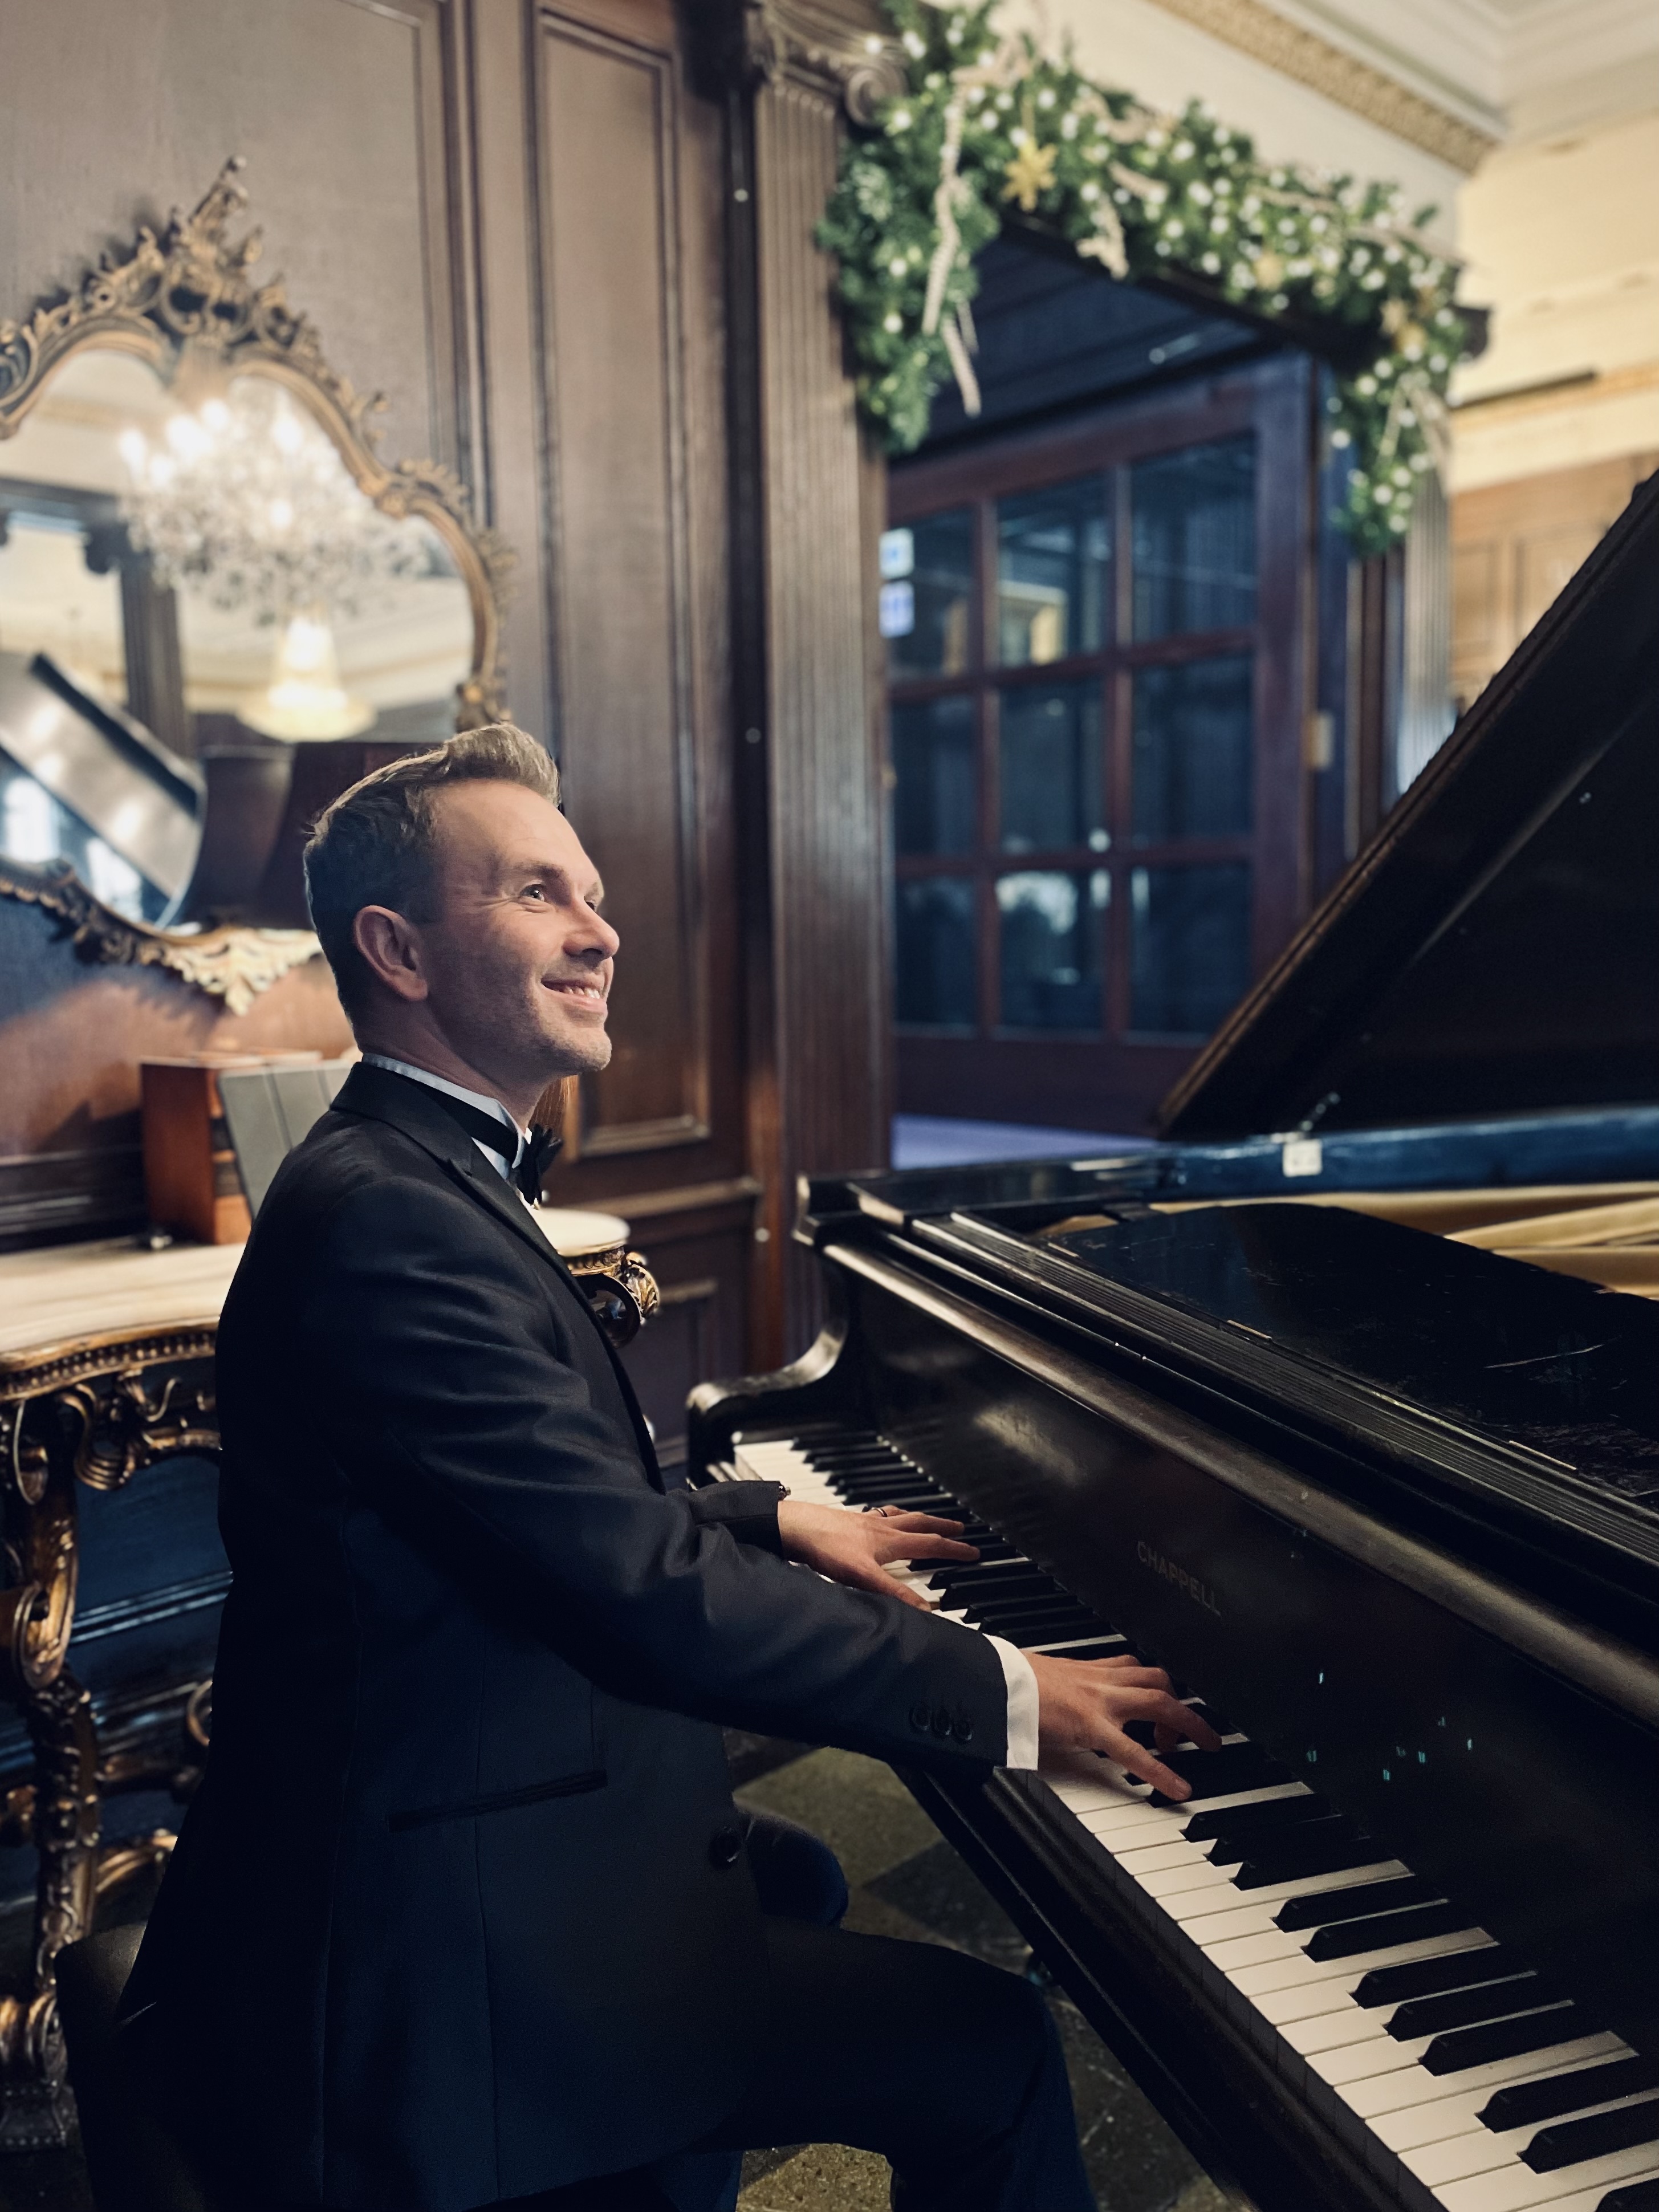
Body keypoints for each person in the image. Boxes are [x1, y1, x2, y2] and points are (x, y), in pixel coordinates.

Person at [121, 725, 1218, 2212]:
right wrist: (1013, 1695)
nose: (601, 928)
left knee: (793, 1879)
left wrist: (760, 1512)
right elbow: (638, 1599)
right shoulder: (394, 1222)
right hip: (415, 1947)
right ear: (401, 950)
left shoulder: (408, 1170)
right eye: (536, 895)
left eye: (592, 890)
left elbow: (508, 1515)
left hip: (436, 1783)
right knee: (998, 2044)